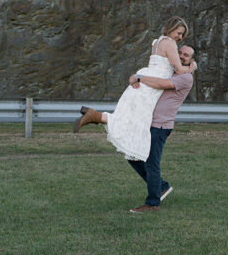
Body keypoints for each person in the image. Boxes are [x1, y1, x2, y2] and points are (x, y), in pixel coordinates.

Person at [75, 45, 197, 213]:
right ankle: (161, 186)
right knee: (133, 157)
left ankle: (153, 203)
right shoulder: (173, 70)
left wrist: (139, 77)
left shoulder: (185, 78)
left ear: (191, 60)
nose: (182, 57)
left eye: (187, 56)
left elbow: (162, 84)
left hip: (160, 126)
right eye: (180, 53)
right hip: (148, 122)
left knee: (151, 162)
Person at [73, 17, 195, 162]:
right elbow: (180, 70)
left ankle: (95, 116)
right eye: (179, 33)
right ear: (171, 28)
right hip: (152, 85)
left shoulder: (157, 42)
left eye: (182, 35)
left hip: (146, 77)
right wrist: (192, 67)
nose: (180, 37)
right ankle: (94, 117)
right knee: (137, 121)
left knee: (130, 117)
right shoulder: (170, 44)